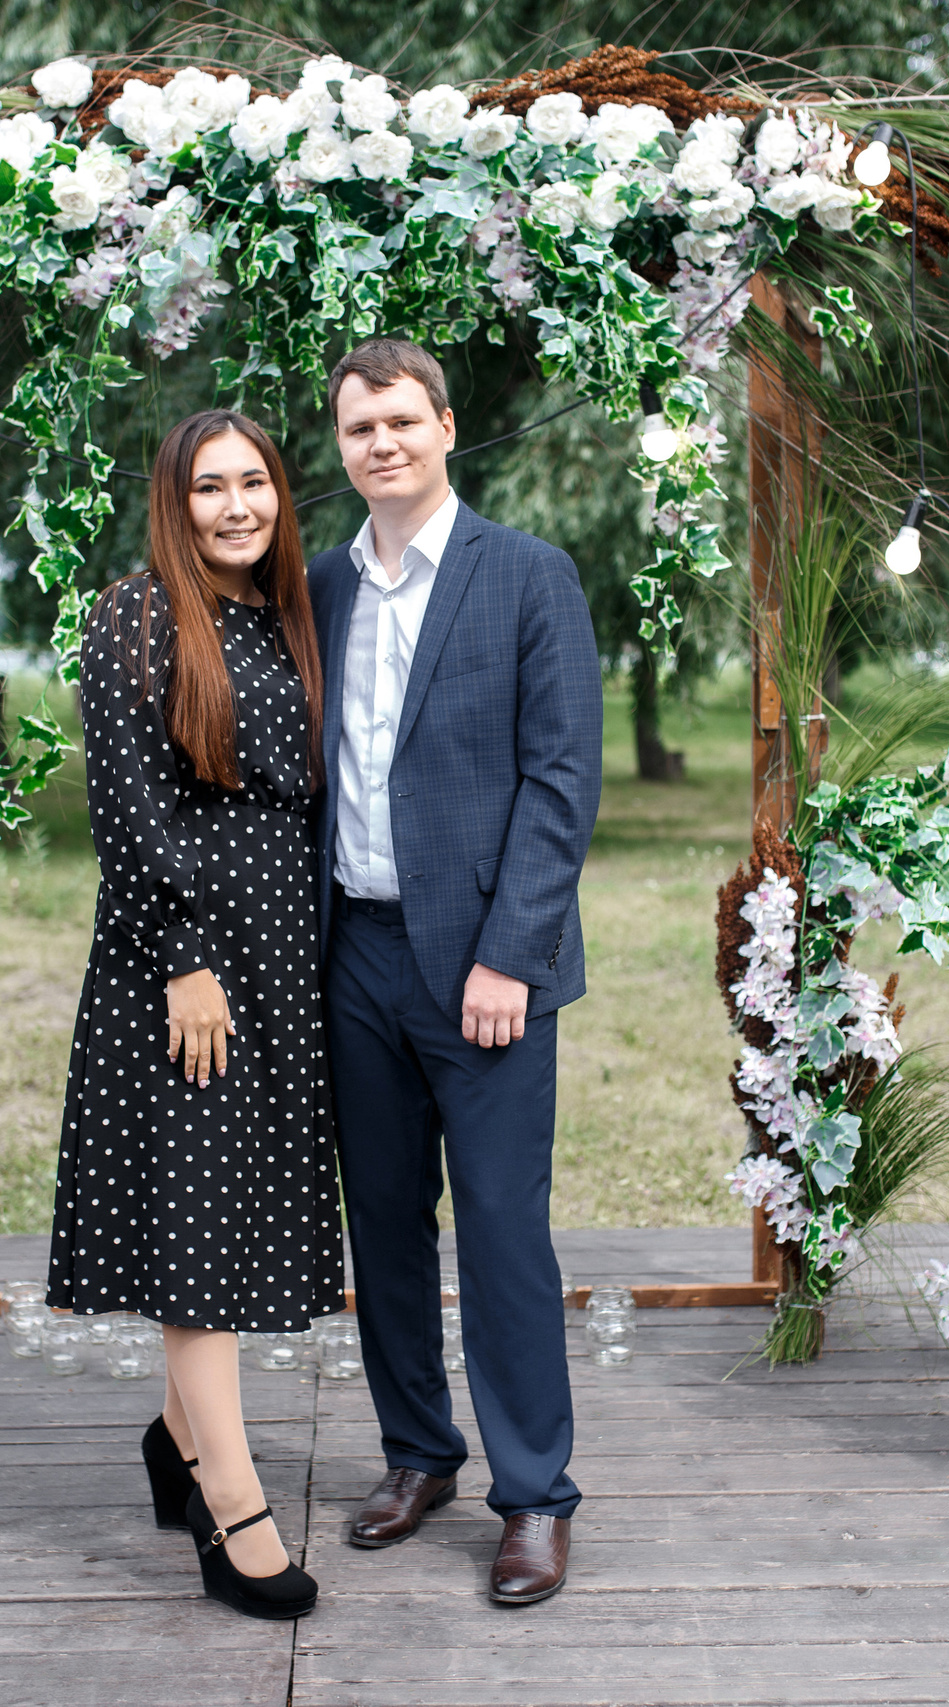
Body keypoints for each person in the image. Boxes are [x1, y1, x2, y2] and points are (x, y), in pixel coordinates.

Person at [306, 338, 602, 1604]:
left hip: (482, 971)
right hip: (352, 954)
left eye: (400, 421)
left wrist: (508, 959)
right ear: (341, 444)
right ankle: (417, 1453)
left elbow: (558, 782)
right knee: (380, 1224)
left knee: (498, 1232)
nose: (381, 443)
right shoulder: (314, 589)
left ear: (444, 428)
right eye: (358, 426)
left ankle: (533, 1494)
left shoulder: (528, 577)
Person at [47, 409, 343, 1622]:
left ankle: (175, 1445)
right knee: (202, 1241)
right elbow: (126, 808)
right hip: (186, 966)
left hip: (281, 961)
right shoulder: (134, 615)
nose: (235, 506)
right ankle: (233, 1503)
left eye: (255, 482)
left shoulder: (285, 618)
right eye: (210, 487)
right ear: (175, 503)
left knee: (234, 1214)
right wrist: (184, 957)